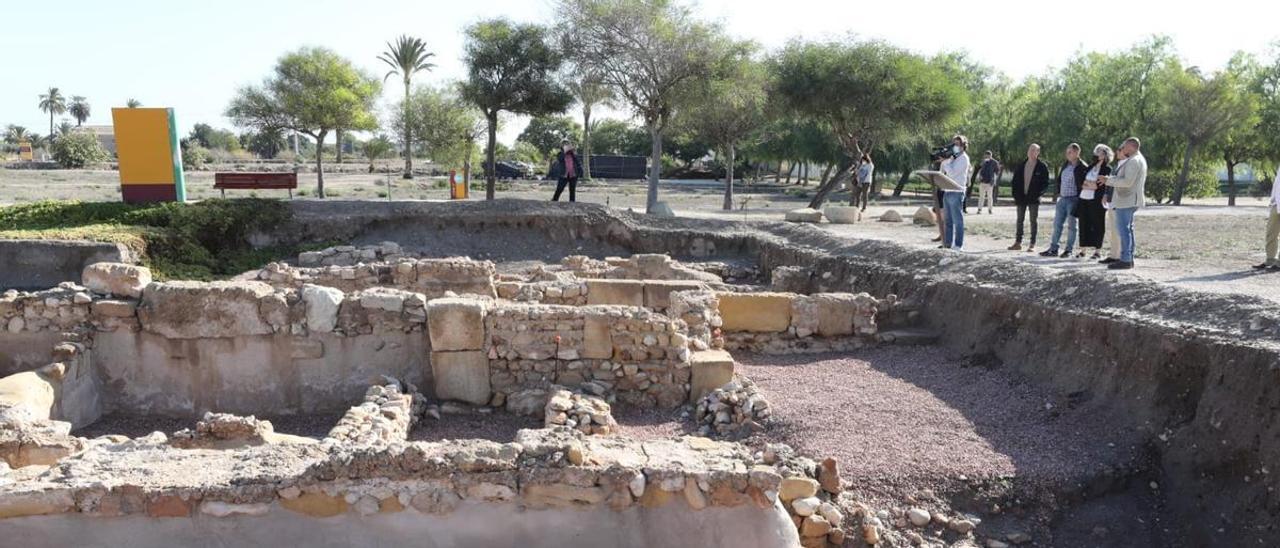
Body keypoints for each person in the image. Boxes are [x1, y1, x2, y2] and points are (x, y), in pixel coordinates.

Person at [1097, 137, 1147, 270]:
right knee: (1128, 229)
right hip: (1128, 200)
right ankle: (1128, 258)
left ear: (1131, 147)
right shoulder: (1136, 159)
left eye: (1124, 147)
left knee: (1124, 230)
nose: (1123, 149)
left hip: (1127, 200)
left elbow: (1126, 182)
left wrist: (1108, 180)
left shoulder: (1134, 161)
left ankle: (1125, 259)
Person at [1041, 144, 1088, 257]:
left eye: (1070, 152)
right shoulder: (1066, 165)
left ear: (1077, 153)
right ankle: (1053, 249)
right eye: (1067, 152)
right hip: (1062, 199)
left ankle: (1069, 250)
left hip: (1074, 199)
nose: (1067, 154)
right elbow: (1060, 180)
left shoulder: (1082, 167)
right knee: (1057, 224)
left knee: (1072, 226)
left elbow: (1084, 184)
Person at [1008, 144, 1050, 251]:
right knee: (1019, 220)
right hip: (1021, 198)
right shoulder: (1021, 165)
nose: (1031, 152)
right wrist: (1015, 195)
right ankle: (1018, 242)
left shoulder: (1042, 166)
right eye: (1030, 150)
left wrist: (1038, 194)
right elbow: (1015, 181)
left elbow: (1045, 183)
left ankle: (1032, 244)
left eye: (1033, 150)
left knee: (1033, 220)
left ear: (1038, 152)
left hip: (1034, 199)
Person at [1074, 144, 1113, 259]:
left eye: (1100, 151)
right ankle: (1083, 250)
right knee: (1083, 224)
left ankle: (1097, 251)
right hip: (1084, 198)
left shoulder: (1107, 169)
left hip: (1097, 200)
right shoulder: (1091, 166)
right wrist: (1088, 185)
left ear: (1105, 155)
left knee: (1098, 225)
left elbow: (1099, 186)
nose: (1097, 153)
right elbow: (1082, 182)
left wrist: (1090, 185)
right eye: (1097, 151)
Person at [939, 135, 971, 250]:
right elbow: (942, 172)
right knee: (947, 220)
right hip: (947, 191)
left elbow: (952, 173)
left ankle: (958, 245)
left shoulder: (964, 159)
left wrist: (946, 162)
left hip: (957, 192)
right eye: (954, 144)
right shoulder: (954, 158)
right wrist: (945, 161)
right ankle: (947, 244)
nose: (955, 147)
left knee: (958, 221)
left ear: (963, 146)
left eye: (958, 144)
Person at [1253, 164, 1280, 271]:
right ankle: (1270, 260)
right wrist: (1273, 200)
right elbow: (1277, 184)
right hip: (1276, 204)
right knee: (1271, 233)